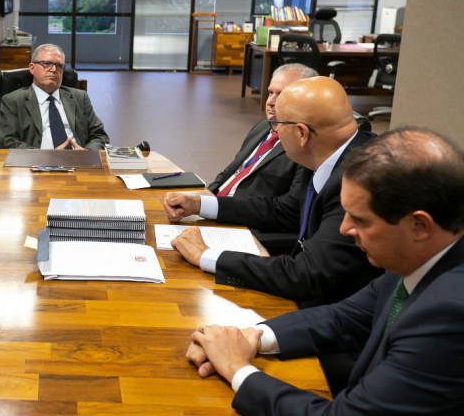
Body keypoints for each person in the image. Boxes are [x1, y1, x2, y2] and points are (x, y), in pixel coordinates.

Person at [185, 128, 464, 416]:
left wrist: (236, 368)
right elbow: (346, 316)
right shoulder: (426, 254)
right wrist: (249, 339)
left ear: (419, 225)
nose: (345, 229)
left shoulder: (450, 315)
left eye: (360, 220)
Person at [163, 76, 382, 307]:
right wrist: (200, 205)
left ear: (301, 134)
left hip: (332, 311)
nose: (274, 130)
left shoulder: (357, 183)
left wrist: (205, 255)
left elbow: (307, 275)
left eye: (278, 124)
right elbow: (285, 211)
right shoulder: (326, 150)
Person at [207, 63, 317, 198]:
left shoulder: (305, 146)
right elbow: (230, 171)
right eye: (270, 93)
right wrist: (204, 198)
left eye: (281, 94)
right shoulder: (262, 127)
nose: (270, 101)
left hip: (239, 216)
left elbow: (287, 209)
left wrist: (214, 208)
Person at [0, 43, 109, 150]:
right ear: (32, 68)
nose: (54, 70)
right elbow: (6, 141)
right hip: (36, 165)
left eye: (59, 66)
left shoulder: (79, 97)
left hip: (79, 162)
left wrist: (87, 152)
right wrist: (47, 156)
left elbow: (100, 136)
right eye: (46, 64)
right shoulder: (13, 100)